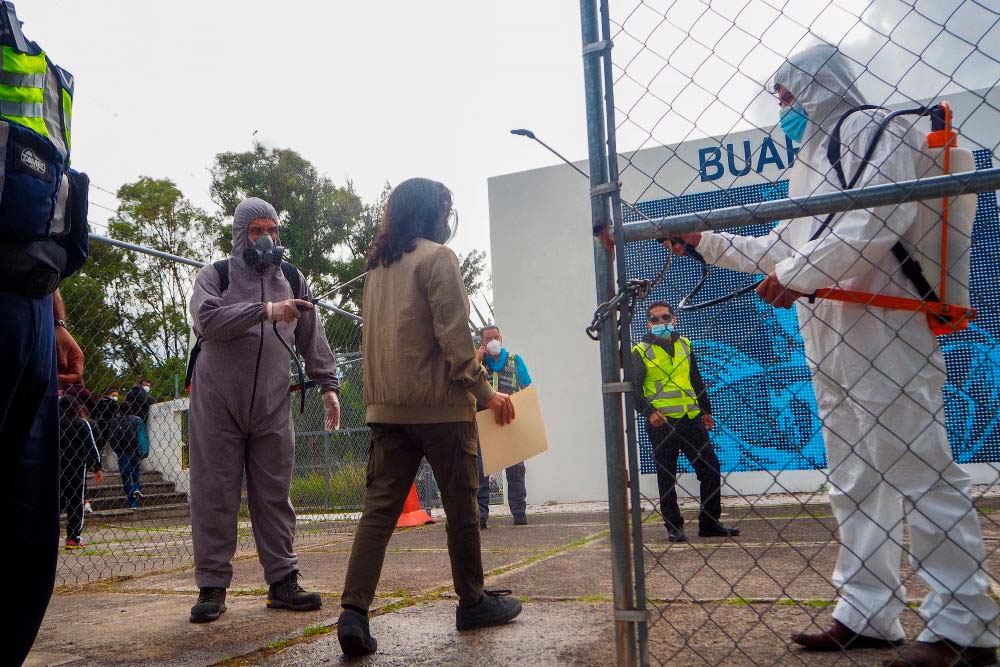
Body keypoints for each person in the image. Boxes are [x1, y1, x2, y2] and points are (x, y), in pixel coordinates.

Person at [670, 44, 998, 664]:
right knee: (854, 477)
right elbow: (782, 248)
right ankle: (867, 612)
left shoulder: (876, 127)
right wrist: (707, 241)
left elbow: (875, 222)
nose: (785, 110)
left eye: (790, 97)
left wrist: (795, 271)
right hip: (829, 326)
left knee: (917, 466)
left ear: (821, 87)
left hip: (884, 321)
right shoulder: (810, 161)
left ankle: (964, 626)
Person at [337, 178, 519, 657]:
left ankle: (353, 612)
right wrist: (486, 394)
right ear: (433, 213)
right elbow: (456, 342)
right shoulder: (439, 258)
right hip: (440, 408)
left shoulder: (377, 266)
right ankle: (472, 601)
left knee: (378, 512)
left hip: (386, 409)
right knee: (461, 507)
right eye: (445, 208)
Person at [187, 197, 342, 624]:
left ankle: (283, 580)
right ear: (241, 235)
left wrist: (328, 385)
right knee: (214, 492)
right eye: (257, 230)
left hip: (273, 402)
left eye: (272, 230)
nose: (267, 238)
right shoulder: (215, 276)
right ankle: (212, 586)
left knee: (275, 493)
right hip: (218, 403)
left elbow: (312, 333)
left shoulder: (293, 278)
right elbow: (207, 320)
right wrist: (265, 311)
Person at [631, 302, 739, 543]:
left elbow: (696, 380)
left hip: (691, 419)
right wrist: (649, 412)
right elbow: (634, 389)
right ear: (649, 324)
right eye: (655, 320)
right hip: (663, 423)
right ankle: (674, 526)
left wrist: (706, 411)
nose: (661, 323)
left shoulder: (685, 345)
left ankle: (710, 523)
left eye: (665, 318)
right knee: (666, 475)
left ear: (674, 319)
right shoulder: (640, 351)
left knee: (710, 469)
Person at [475, 324, 532, 528]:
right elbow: (466, 382)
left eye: (496, 337)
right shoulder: (478, 364)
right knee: (481, 469)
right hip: (485, 422)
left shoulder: (515, 361)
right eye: (488, 339)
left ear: (502, 338)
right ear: (482, 343)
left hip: (510, 419)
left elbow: (527, 387)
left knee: (516, 469)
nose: (493, 342)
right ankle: (481, 516)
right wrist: (477, 359)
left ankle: (519, 513)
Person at [59, 395, 103, 548]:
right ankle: (73, 538)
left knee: (56, 501)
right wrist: (98, 467)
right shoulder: (81, 423)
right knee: (76, 502)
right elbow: (92, 446)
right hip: (77, 467)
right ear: (76, 408)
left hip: (57, 467)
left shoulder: (53, 423)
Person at [107, 395, 145, 509]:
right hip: (134, 450)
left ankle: (132, 502)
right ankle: (137, 488)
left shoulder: (114, 421)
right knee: (136, 472)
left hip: (122, 452)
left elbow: (111, 437)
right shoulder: (137, 419)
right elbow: (141, 435)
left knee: (126, 477)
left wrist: (117, 450)